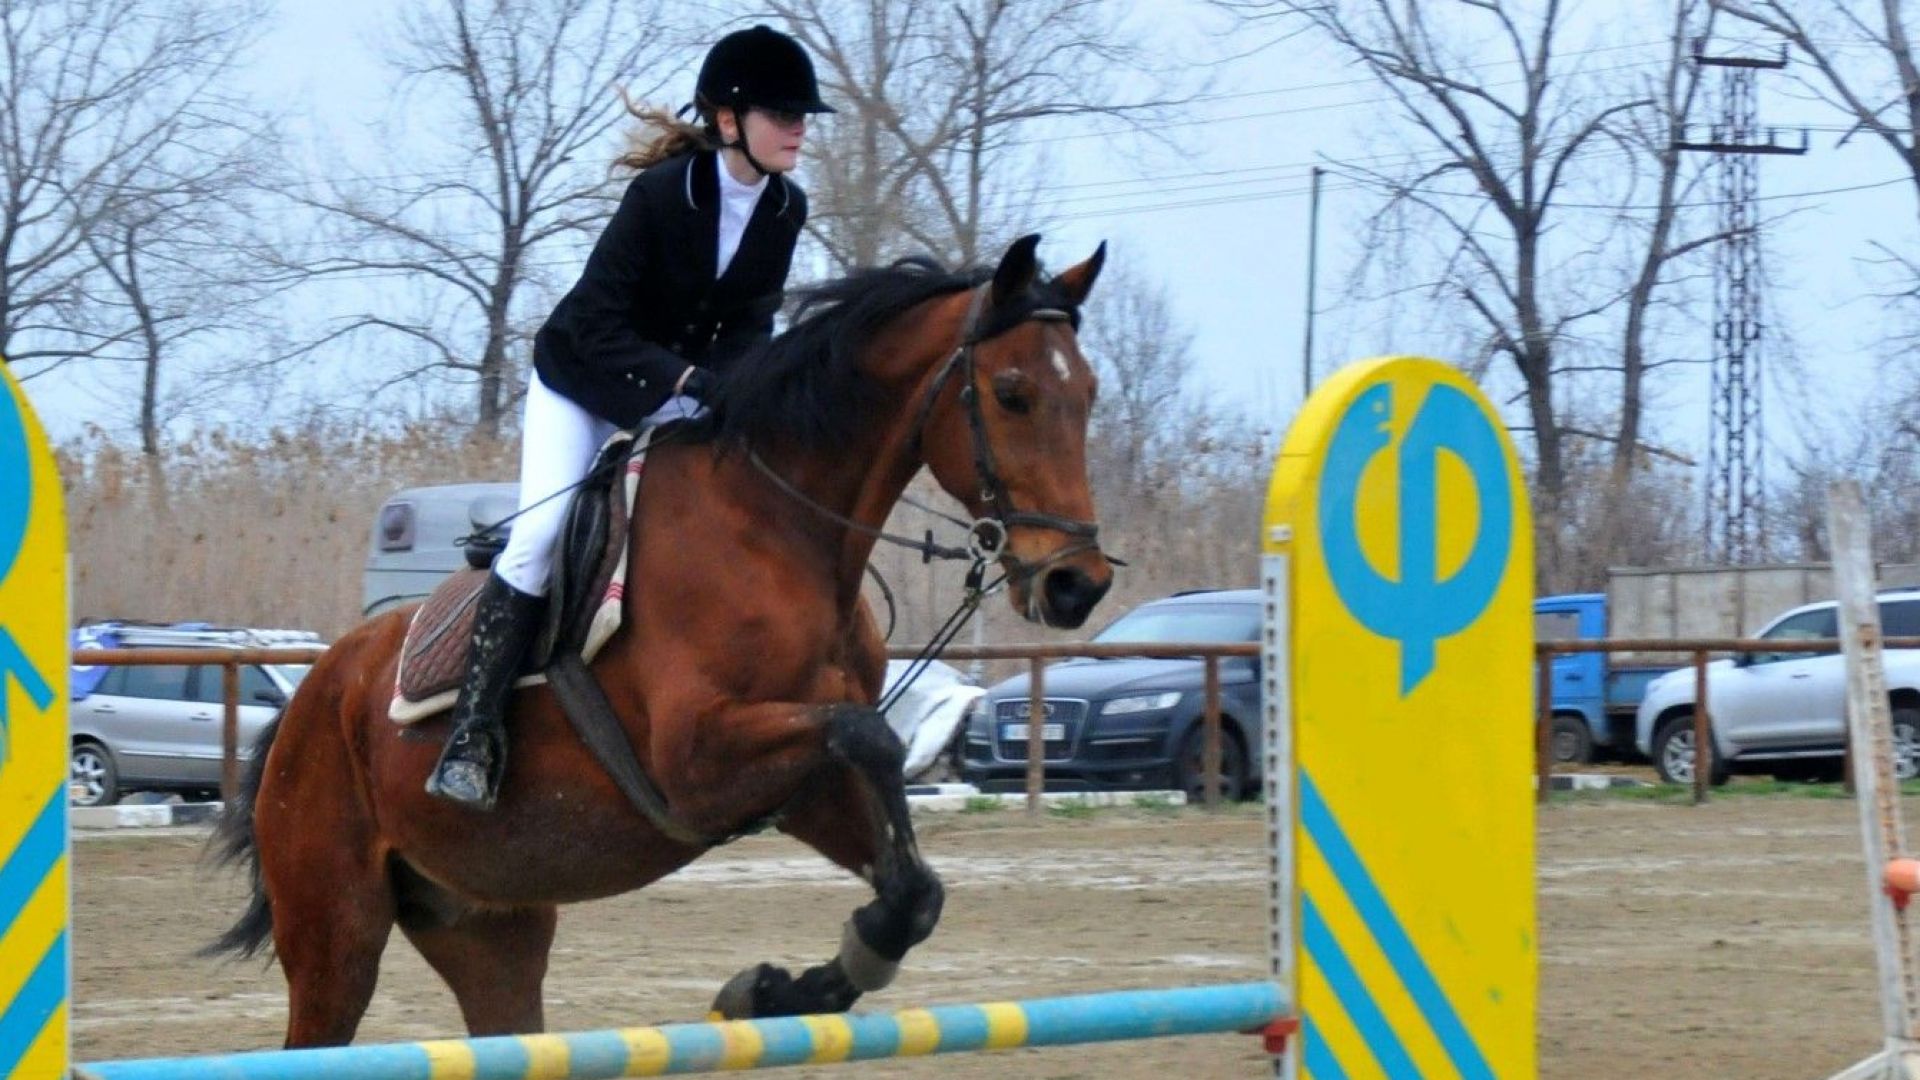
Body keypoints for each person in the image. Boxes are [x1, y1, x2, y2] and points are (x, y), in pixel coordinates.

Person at [427, 25, 834, 810]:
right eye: (783, 113)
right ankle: (472, 736)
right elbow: (602, 328)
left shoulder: (786, 206)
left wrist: (745, 390)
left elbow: (751, 322)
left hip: (679, 392)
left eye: (801, 114)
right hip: (582, 379)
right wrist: (688, 381)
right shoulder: (659, 197)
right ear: (729, 122)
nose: (798, 128)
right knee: (542, 535)